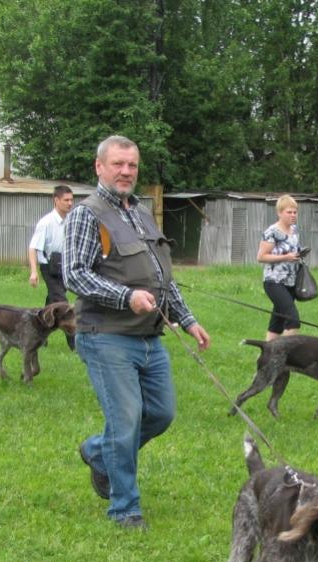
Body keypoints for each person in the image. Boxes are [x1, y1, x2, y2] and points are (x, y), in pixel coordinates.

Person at [63, 135, 210, 530]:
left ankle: (98, 452)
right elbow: (75, 274)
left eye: (132, 165)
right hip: (105, 335)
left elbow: (163, 278)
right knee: (126, 420)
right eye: (118, 164)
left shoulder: (143, 213)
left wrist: (188, 319)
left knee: (161, 414)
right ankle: (125, 508)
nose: (126, 172)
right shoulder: (86, 214)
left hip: (148, 337)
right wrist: (125, 297)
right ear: (100, 167)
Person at [28, 184, 75, 349]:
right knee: (63, 304)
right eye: (66, 200)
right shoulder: (46, 222)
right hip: (49, 267)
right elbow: (33, 248)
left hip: (65, 266)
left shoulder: (71, 220)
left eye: (71, 200)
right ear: (56, 200)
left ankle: (39, 330)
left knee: (51, 302)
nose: (70, 203)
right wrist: (34, 272)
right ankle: (75, 344)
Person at [257, 194, 303, 341]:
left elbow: (293, 250)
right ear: (279, 213)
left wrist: (299, 254)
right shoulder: (272, 232)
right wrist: (286, 257)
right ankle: (284, 353)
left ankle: (266, 354)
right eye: (289, 212)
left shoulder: (294, 230)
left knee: (277, 323)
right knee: (293, 319)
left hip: (291, 282)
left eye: (295, 212)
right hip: (274, 282)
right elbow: (261, 257)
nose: (293, 215)